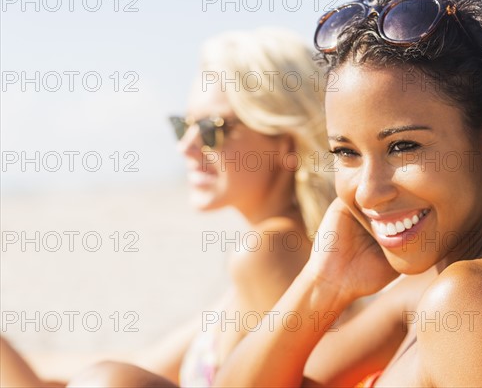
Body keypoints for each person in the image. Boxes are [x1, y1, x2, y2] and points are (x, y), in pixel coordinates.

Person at [212, 0, 482, 386]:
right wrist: (324, 282)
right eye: (346, 153)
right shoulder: (432, 288)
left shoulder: (475, 300)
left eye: (402, 146)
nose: (367, 192)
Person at [0, 27, 336, 388]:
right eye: (184, 125)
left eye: (212, 129)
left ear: (285, 144)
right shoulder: (281, 249)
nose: (187, 147)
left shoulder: (269, 252)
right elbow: (146, 364)